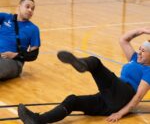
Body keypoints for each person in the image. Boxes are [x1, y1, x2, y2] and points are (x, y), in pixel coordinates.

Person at [18, 27, 150, 123]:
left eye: (143, 51)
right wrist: (141, 30)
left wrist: (120, 113)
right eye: (139, 49)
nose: (139, 52)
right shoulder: (134, 58)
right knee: (73, 100)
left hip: (123, 94)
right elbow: (123, 40)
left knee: (96, 62)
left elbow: (138, 96)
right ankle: (38, 120)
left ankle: (83, 65)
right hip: (110, 99)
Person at [0, 0, 41, 80]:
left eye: (32, 9)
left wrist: (15, 55)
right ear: (19, 7)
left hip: (13, 61)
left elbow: (33, 55)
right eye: (27, 7)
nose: (30, 10)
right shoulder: (6, 17)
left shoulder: (33, 29)